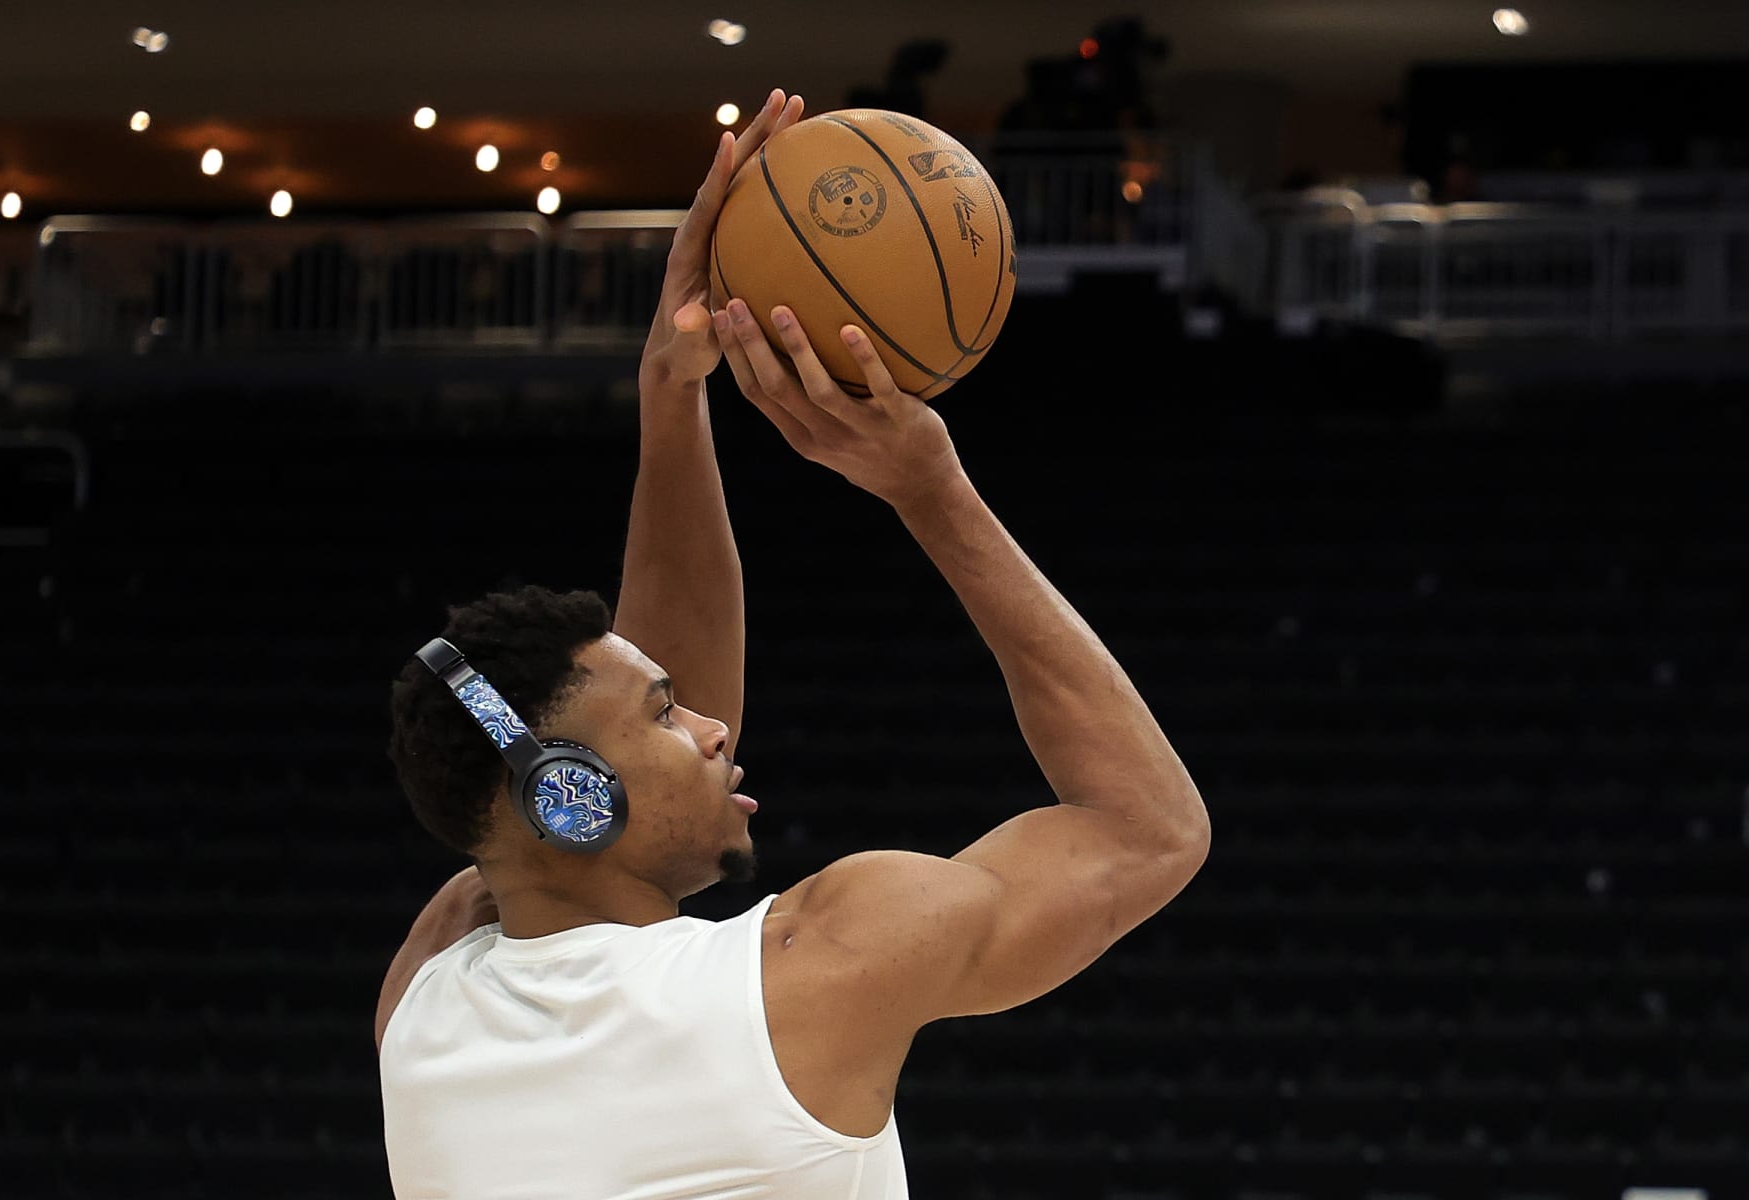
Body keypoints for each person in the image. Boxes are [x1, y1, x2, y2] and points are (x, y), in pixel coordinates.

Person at [375, 86, 1211, 1200]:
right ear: (573, 800)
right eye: (671, 720)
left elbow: (540, 788)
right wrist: (932, 492)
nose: (717, 723)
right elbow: (1147, 831)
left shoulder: (424, 998)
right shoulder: (815, 973)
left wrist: (672, 396)